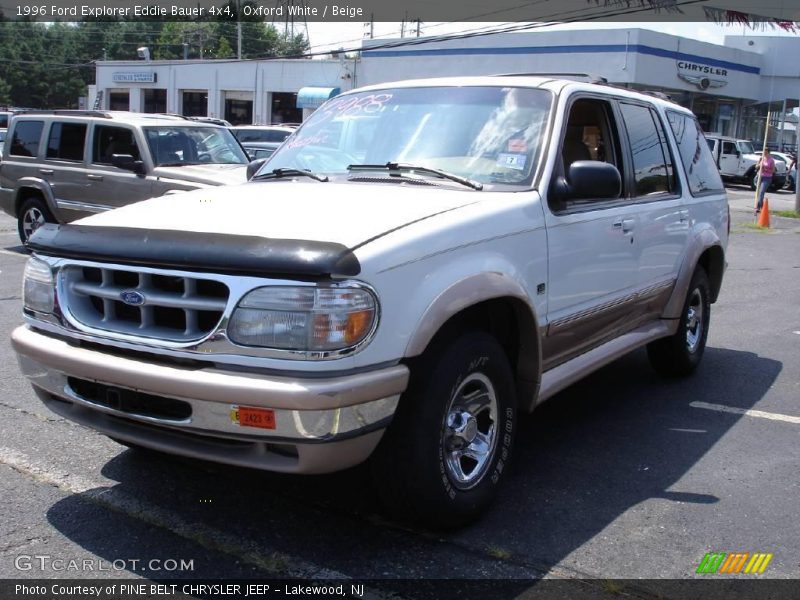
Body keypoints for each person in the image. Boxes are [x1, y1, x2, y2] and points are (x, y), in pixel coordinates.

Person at [755, 148, 775, 213]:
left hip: (767, 178)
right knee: (759, 192)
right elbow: (756, 166)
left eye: (766, 153)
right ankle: (761, 206)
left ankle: (759, 207)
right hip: (760, 176)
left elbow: (773, 170)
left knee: (761, 191)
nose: (764, 154)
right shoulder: (761, 158)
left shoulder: (771, 160)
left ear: (769, 153)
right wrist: (759, 166)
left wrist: (765, 169)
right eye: (764, 152)